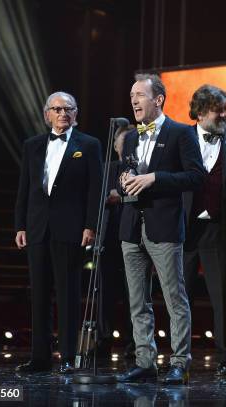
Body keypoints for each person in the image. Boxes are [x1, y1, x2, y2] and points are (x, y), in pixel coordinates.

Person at [116, 73, 206, 384]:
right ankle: (145, 360)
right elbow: (125, 169)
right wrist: (125, 179)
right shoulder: (129, 137)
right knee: (137, 299)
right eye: (131, 96)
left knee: (173, 296)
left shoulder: (181, 133)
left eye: (139, 95)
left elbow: (196, 176)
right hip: (131, 227)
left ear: (158, 100)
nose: (134, 101)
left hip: (164, 226)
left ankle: (180, 361)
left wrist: (155, 178)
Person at [14, 91, 102, 374]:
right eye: (57, 109)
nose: (63, 113)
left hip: (71, 229)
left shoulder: (89, 145)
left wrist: (91, 225)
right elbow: (24, 189)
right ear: (47, 114)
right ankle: (39, 358)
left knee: (68, 295)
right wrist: (20, 225)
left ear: (76, 114)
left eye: (68, 109)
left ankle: (67, 357)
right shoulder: (32, 145)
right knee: (39, 294)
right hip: (38, 227)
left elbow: (95, 190)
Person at [183, 85, 226, 376]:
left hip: (221, 228)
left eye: (225, 108)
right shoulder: (180, 137)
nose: (224, 114)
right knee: (178, 296)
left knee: (223, 296)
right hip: (184, 229)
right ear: (199, 112)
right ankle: (179, 356)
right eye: (217, 109)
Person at [95, 124, 135, 361]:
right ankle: (103, 341)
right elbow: (94, 198)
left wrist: (120, 196)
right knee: (105, 293)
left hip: (132, 236)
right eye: (123, 141)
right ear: (117, 145)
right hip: (108, 238)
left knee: (135, 293)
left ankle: (134, 343)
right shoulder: (105, 169)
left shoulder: (140, 168)